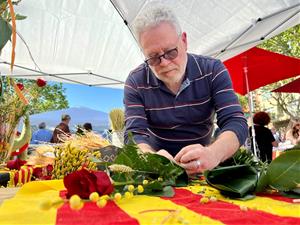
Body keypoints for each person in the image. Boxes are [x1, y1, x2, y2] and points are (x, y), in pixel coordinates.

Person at [123, 4, 248, 174]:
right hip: (156, 169)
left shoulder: (212, 70)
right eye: (153, 58)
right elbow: (133, 135)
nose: (164, 63)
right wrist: (151, 159)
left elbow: (235, 121)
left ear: (184, 41)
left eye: (171, 52)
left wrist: (213, 153)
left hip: (205, 164)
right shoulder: (135, 81)